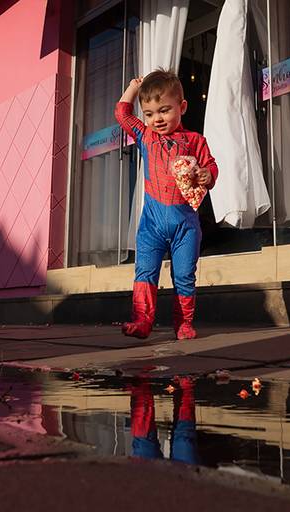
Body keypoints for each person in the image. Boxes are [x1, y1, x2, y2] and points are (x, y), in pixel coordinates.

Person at [115, 69, 218, 340]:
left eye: (164, 111)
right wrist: (133, 87)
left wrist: (208, 175)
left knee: (184, 274)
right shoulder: (146, 137)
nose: (156, 119)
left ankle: (183, 323)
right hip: (151, 224)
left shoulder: (195, 140)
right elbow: (123, 114)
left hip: (185, 224)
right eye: (149, 114)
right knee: (145, 271)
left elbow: (210, 167)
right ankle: (142, 321)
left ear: (181, 107)